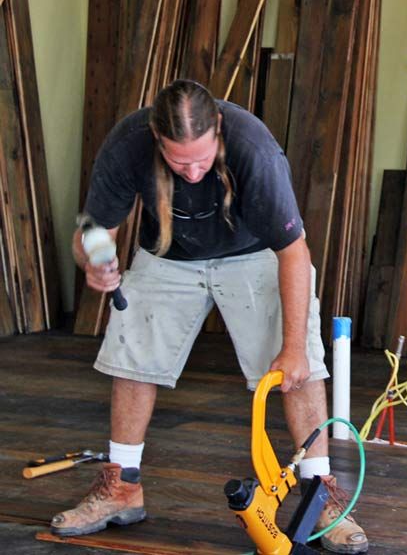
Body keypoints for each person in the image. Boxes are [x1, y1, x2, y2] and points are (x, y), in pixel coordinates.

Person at [52, 80, 368, 554]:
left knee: (299, 369)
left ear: (218, 129)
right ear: (158, 141)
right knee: (132, 353)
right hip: (167, 253)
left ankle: (323, 500)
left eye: (203, 158)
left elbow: (294, 251)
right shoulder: (127, 145)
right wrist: (94, 262)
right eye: (181, 162)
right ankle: (122, 487)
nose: (195, 171)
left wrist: (295, 346)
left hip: (255, 252)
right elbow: (93, 231)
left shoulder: (253, 147)